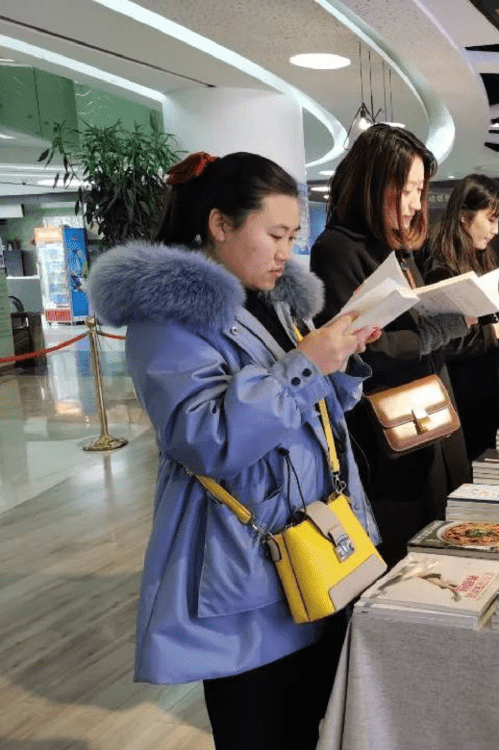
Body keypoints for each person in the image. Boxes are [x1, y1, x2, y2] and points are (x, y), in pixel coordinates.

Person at [87, 151, 380, 750]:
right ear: (220, 224)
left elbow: (305, 414)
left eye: (292, 237)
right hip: (246, 560)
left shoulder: (274, 302)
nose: (285, 253)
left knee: (322, 725)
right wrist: (307, 365)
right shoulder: (168, 317)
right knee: (262, 725)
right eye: (274, 235)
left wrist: (339, 362)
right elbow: (206, 438)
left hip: (317, 547)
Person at [310, 124, 471, 567]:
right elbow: (356, 348)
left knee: (442, 536)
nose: (416, 203)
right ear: (373, 183)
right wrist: (435, 332)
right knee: (405, 548)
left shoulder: (396, 248)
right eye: (407, 189)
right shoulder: (337, 249)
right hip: (386, 429)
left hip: (429, 413)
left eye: (420, 190)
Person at [423, 174, 499, 461]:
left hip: (492, 386)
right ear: (464, 217)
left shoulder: (476, 257)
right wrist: (498, 331)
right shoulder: (441, 269)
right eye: (490, 220)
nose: (496, 230)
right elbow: (447, 342)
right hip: (467, 395)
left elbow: (483, 319)